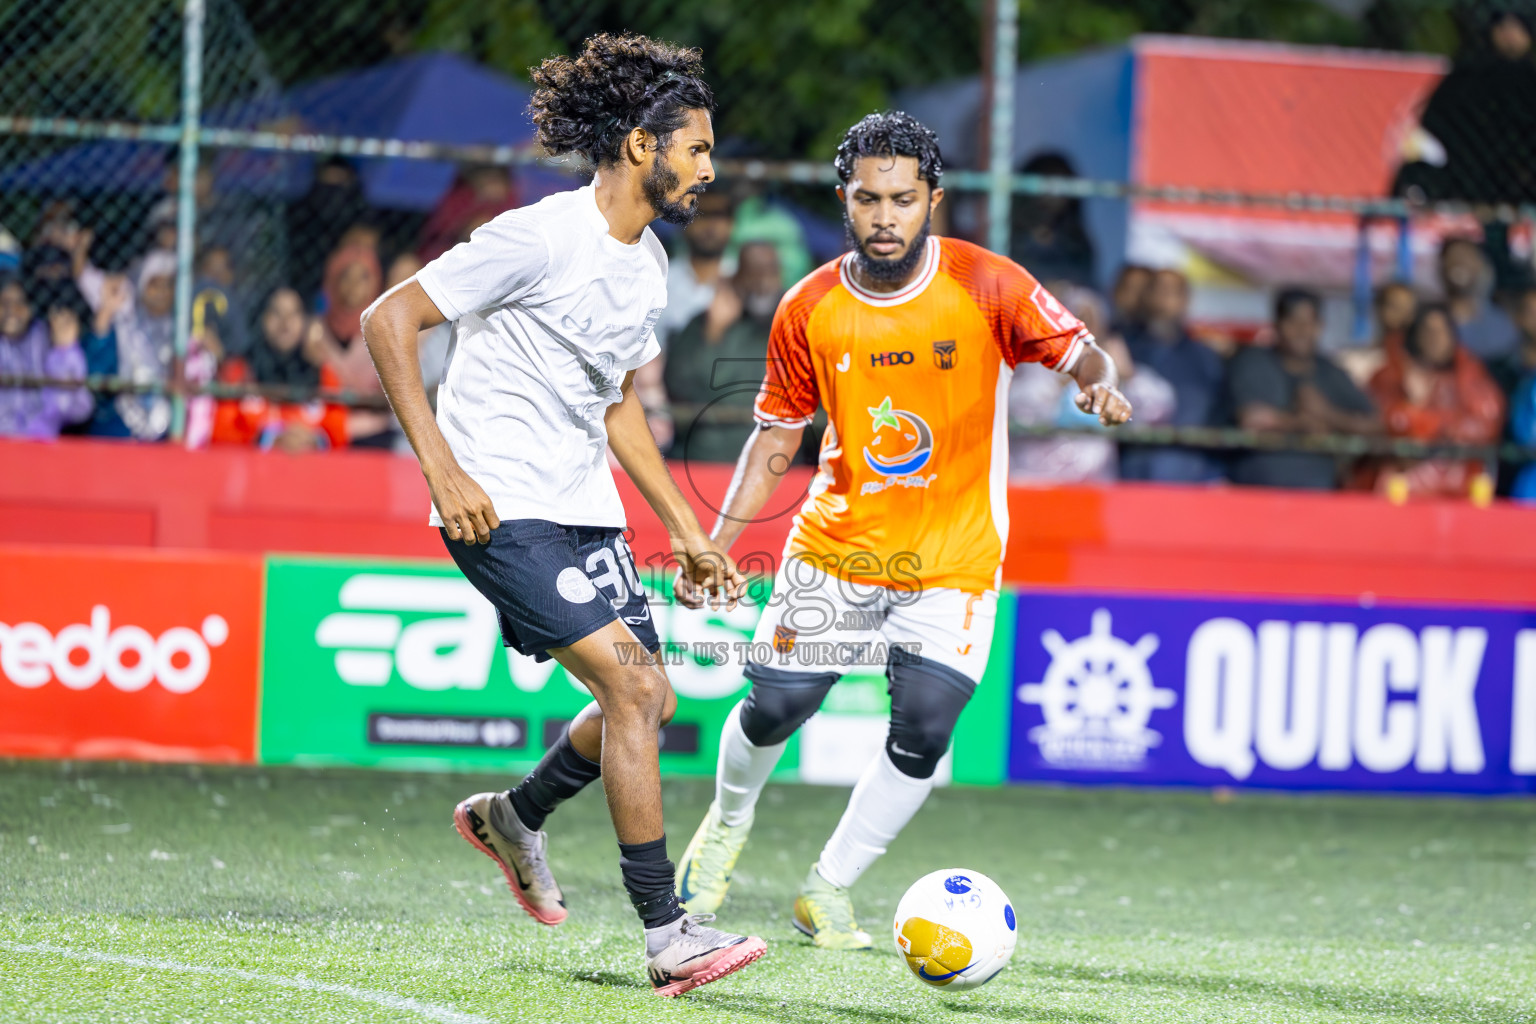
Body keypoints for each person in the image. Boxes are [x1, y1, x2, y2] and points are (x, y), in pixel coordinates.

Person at [359, 33, 763, 996]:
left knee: (650, 701)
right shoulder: (537, 236)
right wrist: (443, 471)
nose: (709, 168)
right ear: (639, 145)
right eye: (696, 148)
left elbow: (617, 402)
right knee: (630, 694)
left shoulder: (650, 266)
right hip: (500, 505)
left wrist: (684, 527)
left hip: (586, 511)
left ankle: (514, 817)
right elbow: (389, 319)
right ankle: (670, 937)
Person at [672, 112, 1131, 948]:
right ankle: (725, 827)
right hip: (837, 551)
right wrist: (716, 540)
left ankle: (829, 887)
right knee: (775, 707)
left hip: (953, 563)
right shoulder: (808, 306)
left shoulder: (988, 283)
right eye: (868, 199)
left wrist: (1097, 383)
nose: (886, 217)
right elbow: (776, 436)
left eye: (903, 200)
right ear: (843, 201)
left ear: (933, 202)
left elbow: (1081, 350)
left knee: (923, 731)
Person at [1009, 285, 1174, 482]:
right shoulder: (1033, 364)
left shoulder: (1111, 373)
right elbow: (1018, 411)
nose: (1083, 332)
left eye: (1091, 323)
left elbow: (1158, 412)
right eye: (1076, 319)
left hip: (1095, 492)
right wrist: (1065, 374)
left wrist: (1129, 375)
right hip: (1034, 485)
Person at [1228, 289, 1381, 490]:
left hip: (1319, 494)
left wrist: (1327, 414)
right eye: (1293, 322)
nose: (1302, 331)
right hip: (1258, 490)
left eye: (1309, 323)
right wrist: (1300, 423)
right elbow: (1251, 419)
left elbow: (1375, 425)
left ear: (1320, 326)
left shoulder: (1331, 371)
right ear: (1277, 325)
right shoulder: (1253, 361)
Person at [1368, 303, 1505, 498]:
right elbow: (1383, 421)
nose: (1436, 339)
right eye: (1428, 331)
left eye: (1442, 331)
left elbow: (1485, 425)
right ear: (1415, 336)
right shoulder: (1392, 375)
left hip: (1460, 486)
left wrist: (1430, 422)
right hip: (1404, 484)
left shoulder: (1470, 375)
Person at [662, 240, 782, 463]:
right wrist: (713, 334)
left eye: (770, 271)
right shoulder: (703, 325)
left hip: (778, 464)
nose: (763, 281)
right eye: (754, 272)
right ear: (736, 278)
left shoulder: (793, 327)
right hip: (708, 461)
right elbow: (685, 389)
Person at [1120, 268, 1226, 482]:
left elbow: (1219, 418)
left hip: (1187, 478)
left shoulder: (1205, 359)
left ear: (1185, 300)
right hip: (1130, 475)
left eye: (1173, 292)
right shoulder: (1124, 350)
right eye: (1157, 290)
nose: (1164, 299)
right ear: (1146, 297)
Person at [211, 287, 347, 452]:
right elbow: (220, 434)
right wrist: (267, 440)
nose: (285, 323)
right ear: (262, 319)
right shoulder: (238, 372)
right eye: (276, 313)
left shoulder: (324, 376)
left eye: (293, 314)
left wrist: (315, 442)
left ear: (304, 321)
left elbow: (339, 438)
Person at [314, 243, 393, 448]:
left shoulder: (383, 332)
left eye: (363, 277)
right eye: (346, 276)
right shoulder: (316, 331)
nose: (354, 285)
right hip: (322, 433)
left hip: (375, 436)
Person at [0, 275, 93, 439]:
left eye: (19, 303)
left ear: (30, 307)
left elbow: (79, 409)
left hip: (41, 445)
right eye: (4, 302)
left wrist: (64, 352)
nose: (12, 310)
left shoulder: (46, 338)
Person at [1007, 152, 1095, 287]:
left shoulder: (1077, 248)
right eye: (1044, 185)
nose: (1050, 196)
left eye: (1060, 189)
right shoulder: (1004, 236)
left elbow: (1085, 285)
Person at [1438, 237, 1519, 361]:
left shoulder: (1505, 312)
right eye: (1452, 257)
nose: (1459, 262)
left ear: (1481, 263)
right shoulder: (1435, 315)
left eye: (1466, 256)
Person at [1339, 280, 1417, 388]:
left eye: (1408, 310)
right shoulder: (1356, 361)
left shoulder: (1418, 364)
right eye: (1395, 306)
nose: (1402, 314)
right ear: (1379, 309)